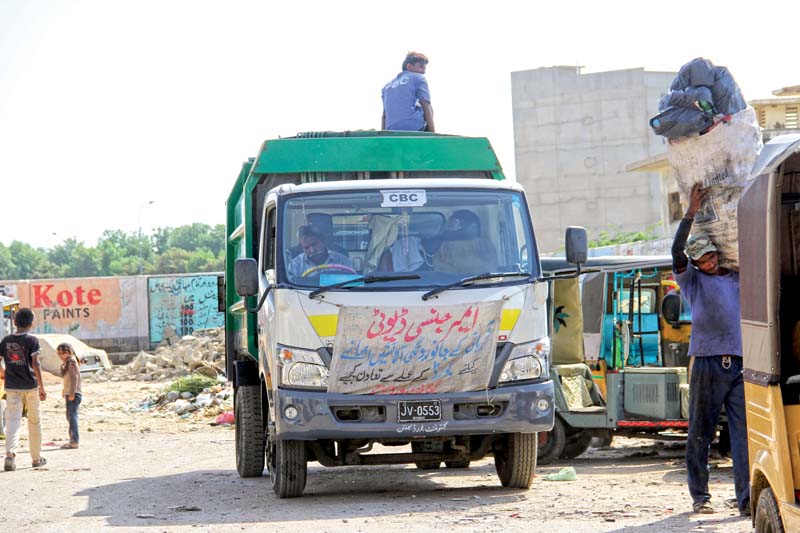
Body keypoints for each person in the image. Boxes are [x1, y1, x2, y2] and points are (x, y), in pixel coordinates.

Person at [672, 183, 749, 516]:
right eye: (702, 259)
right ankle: (700, 496)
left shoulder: (736, 277)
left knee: (743, 435)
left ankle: (745, 497)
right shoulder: (693, 281)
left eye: (712, 255)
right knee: (700, 431)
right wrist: (690, 212)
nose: (710, 262)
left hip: (741, 362)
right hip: (706, 361)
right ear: (696, 263)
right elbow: (676, 252)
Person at [0, 308, 46, 471]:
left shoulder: (5, 341)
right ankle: (36, 458)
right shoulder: (32, 340)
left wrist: (4, 372)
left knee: (13, 421)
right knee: (34, 421)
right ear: (31, 323)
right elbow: (36, 364)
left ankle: (10, 455)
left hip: (12, 386)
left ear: (14, 322)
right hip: (30, 386)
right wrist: (41, 386)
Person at [381, 51, 435, 132]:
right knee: (428, 107)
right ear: (409, 66)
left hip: (391, 129)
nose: (424, 71)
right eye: (421, 67)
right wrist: (433, 134)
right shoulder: (418, 78)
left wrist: (384, 134)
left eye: (424, 68)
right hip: (413, 127)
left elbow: (384, 116)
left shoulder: (386, 87)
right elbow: (426, 105)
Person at [288, 225, 353, 278]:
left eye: (314, 244)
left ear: (323, 241)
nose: (312, 250)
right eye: (306, 247)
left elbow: (352, 285)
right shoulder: (295, 265)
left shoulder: (343, 261)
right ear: (302, 248)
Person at [57, 343, 81, 449]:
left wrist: (71, 393)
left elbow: (74, 378)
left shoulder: (71, 361)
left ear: (69, 352)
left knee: (72, 417)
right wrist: (65, 390)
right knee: (70, 417)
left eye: (63, 353)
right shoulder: (67, 362)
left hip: (74, 393)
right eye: (59, 353)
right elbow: (68, 378)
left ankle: (74, 441)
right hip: (70, 392)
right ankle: (72, 440)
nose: (61, 355)